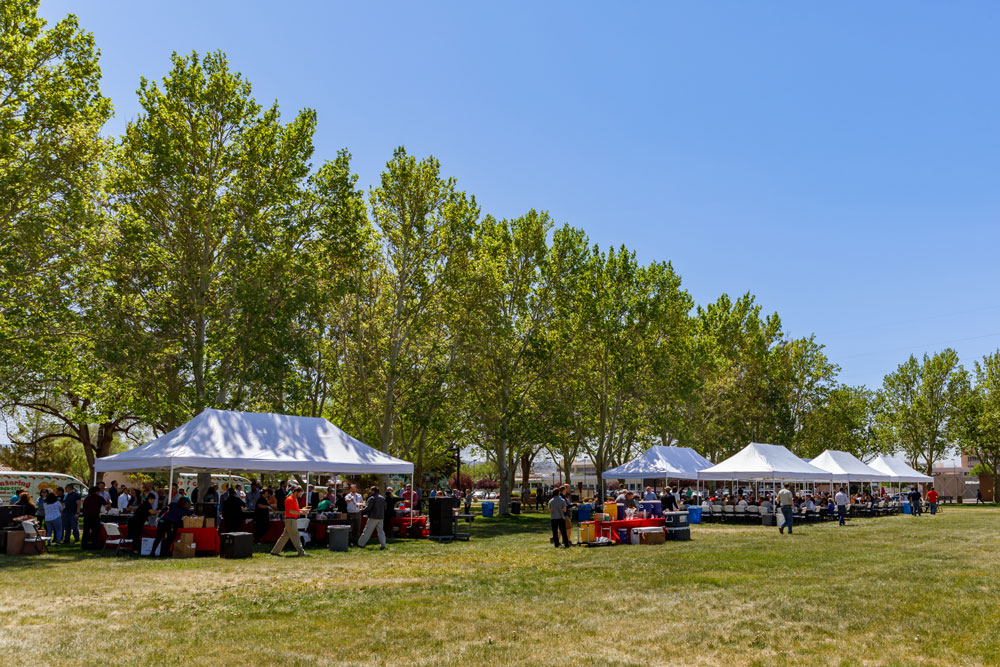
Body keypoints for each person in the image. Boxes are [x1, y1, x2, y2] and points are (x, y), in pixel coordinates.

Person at [270, 485, 310, 557]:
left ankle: (274, 551)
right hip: (290, 520)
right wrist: (302, 512)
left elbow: (295, 510)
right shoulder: (290, 499)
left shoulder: (294, 499)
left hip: (291, 520)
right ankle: (301, 552)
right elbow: (291, 511)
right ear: (296, 492)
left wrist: (302, 510)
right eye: (300, 493)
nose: (300, 495)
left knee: (284, 536)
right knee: (295, 536)